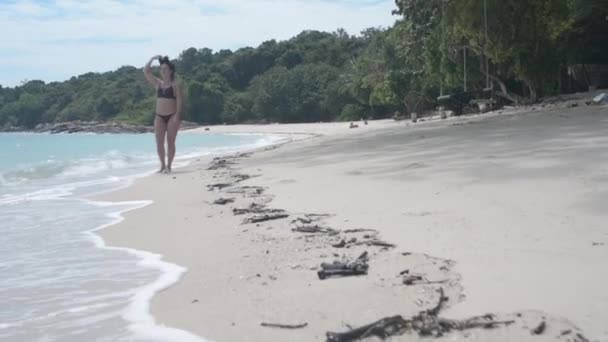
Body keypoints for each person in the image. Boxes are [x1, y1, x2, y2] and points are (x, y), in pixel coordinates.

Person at [143, 55, 183, 173]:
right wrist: (151, 59)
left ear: (170, 71)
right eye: (161, 69)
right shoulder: (158, 84)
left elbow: (180, 100)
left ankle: (169, 166)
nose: (163, 71)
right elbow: (146, 71)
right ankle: (162, 165)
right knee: (159, 142)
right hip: (159, 116)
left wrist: (177, 115)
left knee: (170, 142)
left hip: (172, 116)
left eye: (165, 69)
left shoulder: (175, 85)